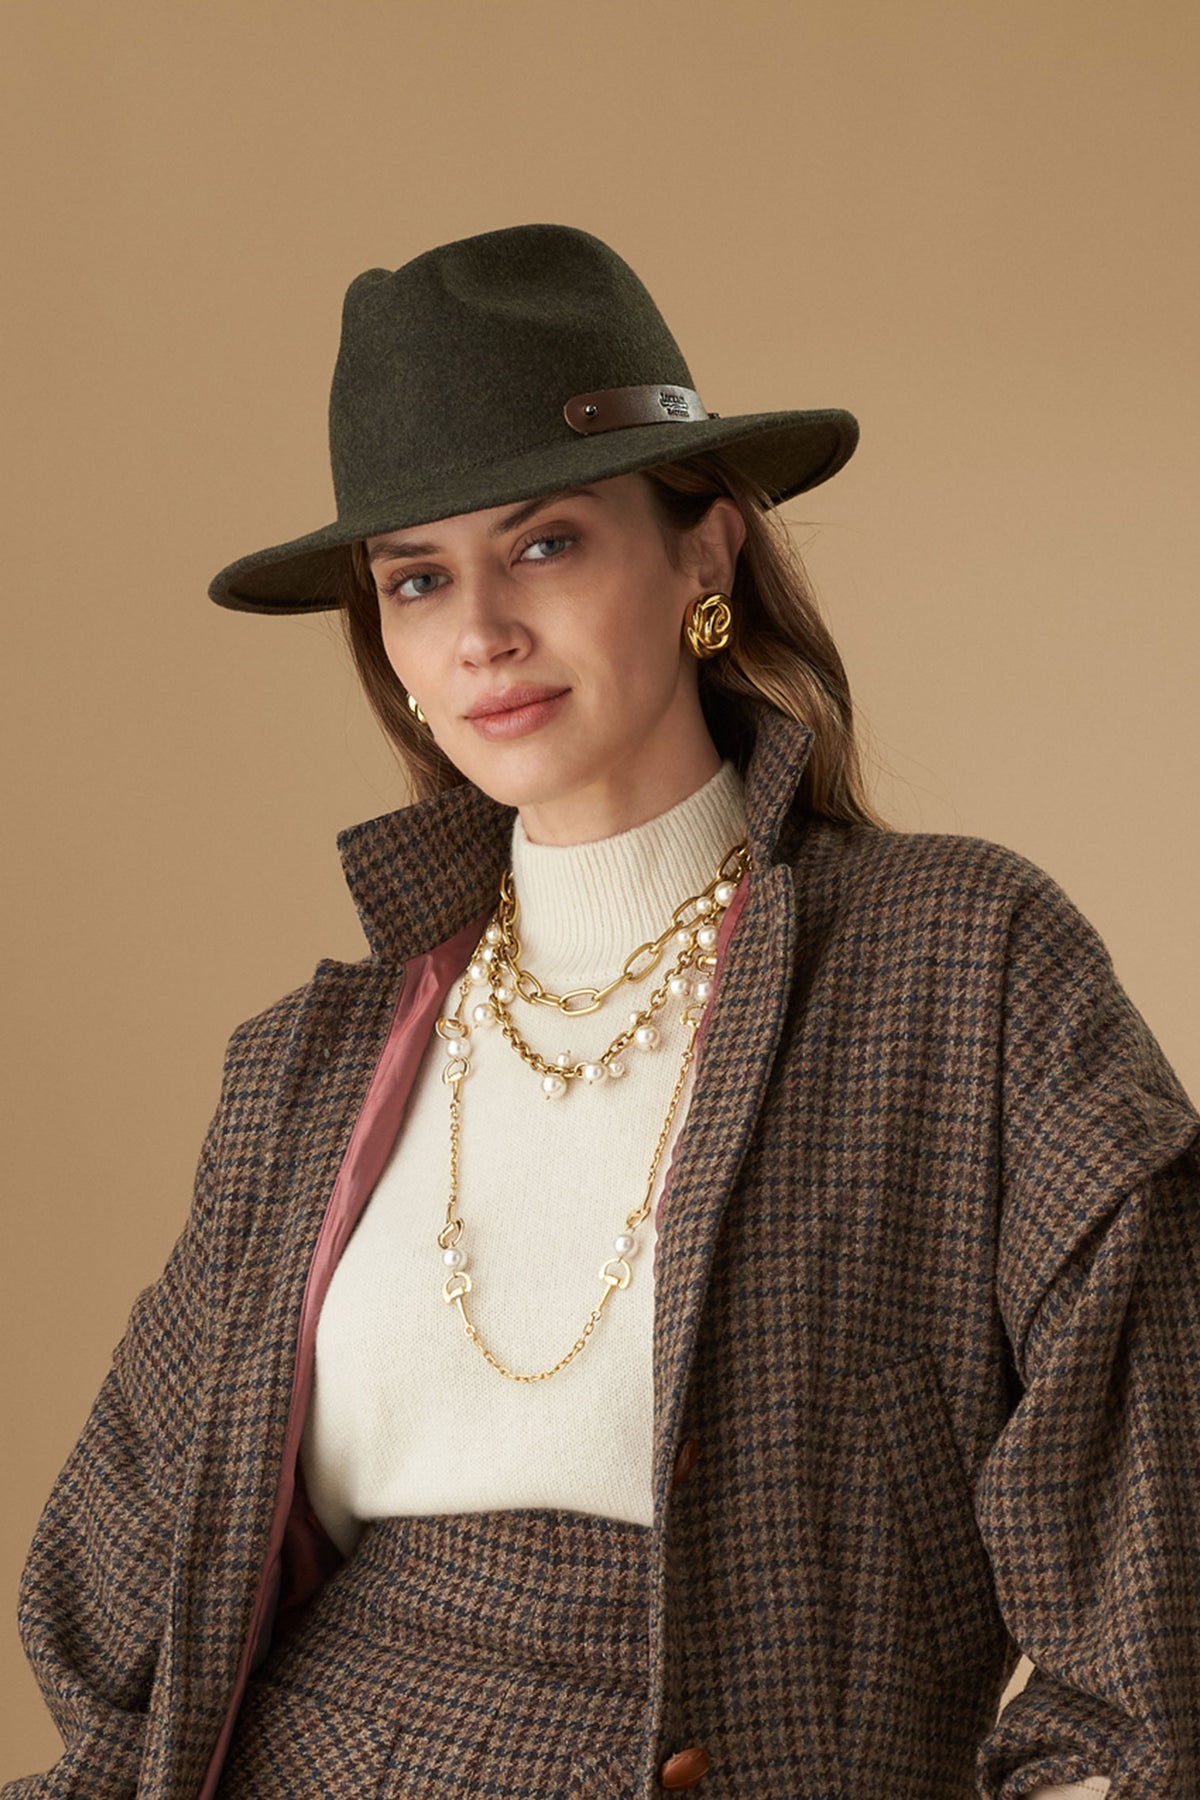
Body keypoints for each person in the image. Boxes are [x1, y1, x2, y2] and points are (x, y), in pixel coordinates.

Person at [5, 223, 1198, 1800]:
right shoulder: (305, 1075)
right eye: (417, 579)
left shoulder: (964, 969)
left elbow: (1156, 1592)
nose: (480, 633)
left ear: (706, 551)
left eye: (547, 544)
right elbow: (115, 1614)